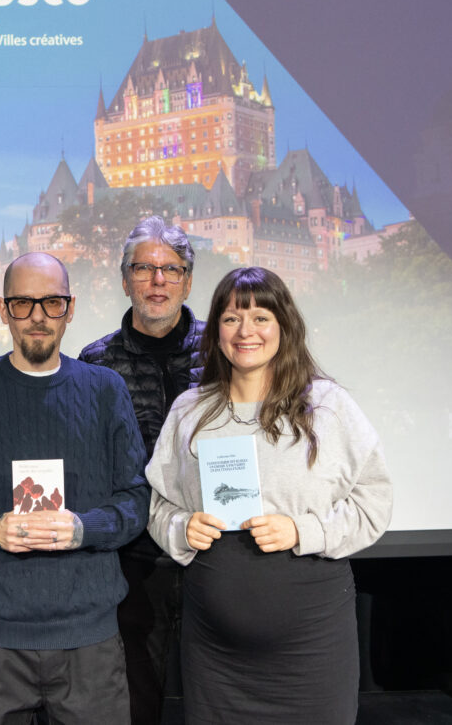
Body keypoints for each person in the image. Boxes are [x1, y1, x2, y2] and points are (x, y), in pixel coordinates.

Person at [146, 267, 393, 723]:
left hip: (312, 650)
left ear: (285, 326)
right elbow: (161, 505)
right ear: (216, 330)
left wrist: (303, 530)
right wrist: (182, 527)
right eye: (231, 318)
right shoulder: (190, 411)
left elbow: (373, 504)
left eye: (261, 317)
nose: (246, 331)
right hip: (215, 657)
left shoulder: (327, 407)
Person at [0, 252, 149, 724]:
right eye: (22, 303)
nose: (37, 316)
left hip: (89, 637)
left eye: (51, 302)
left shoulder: (105, 388)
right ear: (3, 309)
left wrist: (83, 529)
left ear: (70, 308)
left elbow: (136, 500)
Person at [78, 216, 203, 724]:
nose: (157, 281)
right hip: (133, 559)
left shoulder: (223, 350)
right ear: (125, 279)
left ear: (187, 281)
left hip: (214, 551)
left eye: (171, 269)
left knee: (215, 695)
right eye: (143, 268)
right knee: (136, 701)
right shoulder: (95, 362)